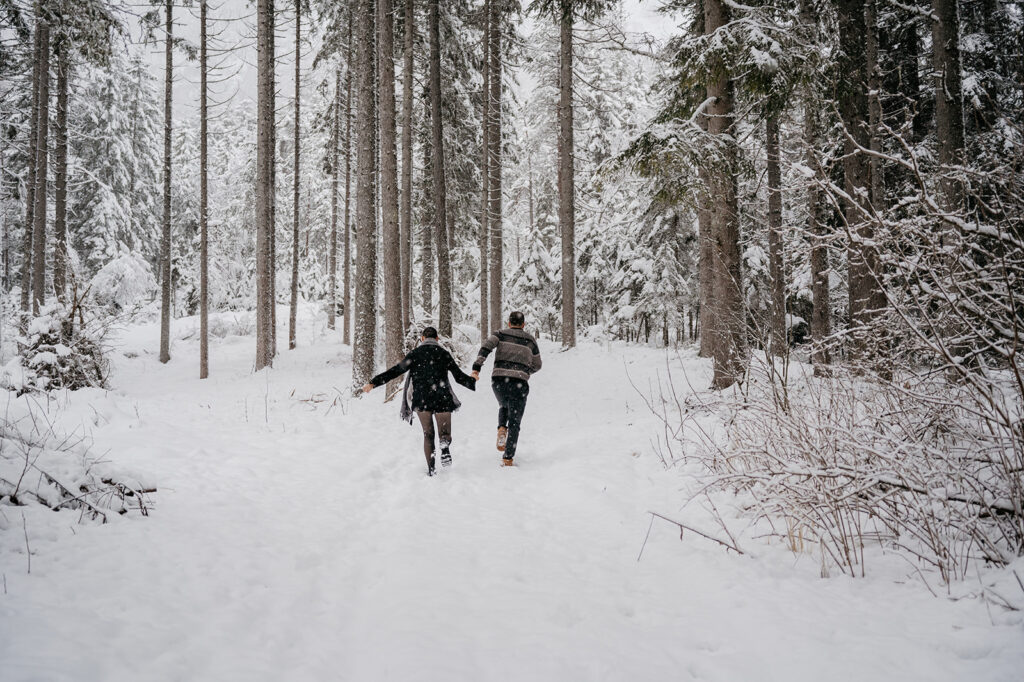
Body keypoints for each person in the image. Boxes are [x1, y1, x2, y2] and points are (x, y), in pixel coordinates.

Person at [363, 327, 476, 476]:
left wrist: (373, 383)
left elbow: (396, 371)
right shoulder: (444, 354)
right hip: (441, 396)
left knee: (428, 434)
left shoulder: (415, 354)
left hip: (422, 398)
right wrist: (472, 381)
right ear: (437, 339)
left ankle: (431, 469)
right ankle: (444, 444)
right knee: (445, 432)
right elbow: (458, 376)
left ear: (422, 338)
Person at [471, 311, 542, 466]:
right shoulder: (531, 340)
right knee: (515, 420)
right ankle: (508, 457)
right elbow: (538, 365)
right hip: (519, 383)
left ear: (509, 323)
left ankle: (502, 427)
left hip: (499, 381)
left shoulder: (500, 334)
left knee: (504, 404)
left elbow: (486, 348)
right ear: (523, 324)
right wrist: (524, 371)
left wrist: (477, 367)